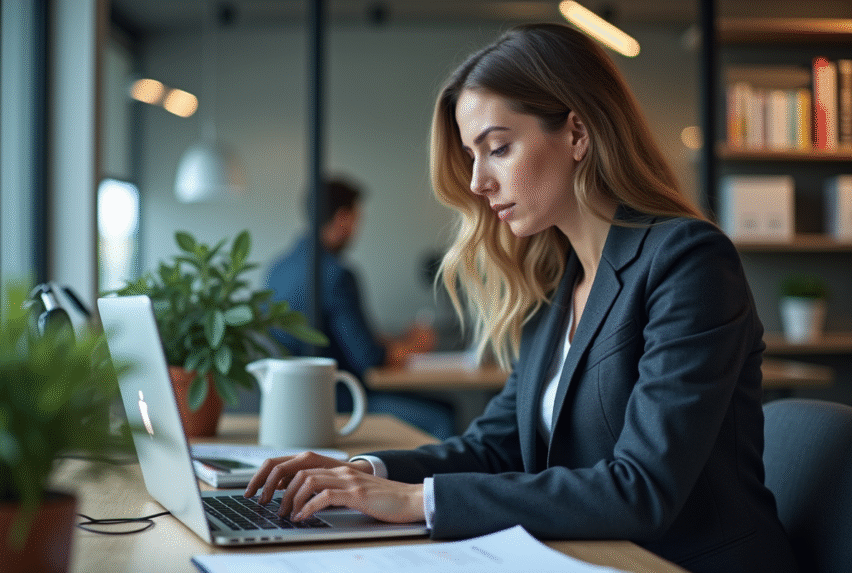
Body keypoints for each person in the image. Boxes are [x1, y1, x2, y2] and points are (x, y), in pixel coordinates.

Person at [248, 23, 798, 573]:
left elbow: (642, 489)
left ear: (577, 134)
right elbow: (497, 446)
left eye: (498, 148)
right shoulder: (557, 284)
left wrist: (418, 502)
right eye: (472, 156)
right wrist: (367, 472)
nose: (478, 181)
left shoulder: (687, 261)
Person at [265, 177, 455, 440]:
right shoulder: (336, 275)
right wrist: (415, 345)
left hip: (292, 403)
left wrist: (398, 340)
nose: (357, 229)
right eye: (357, 219)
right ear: (343, 218)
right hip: (341, 402)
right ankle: (431, 483)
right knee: (444, 414)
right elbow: (368, 357)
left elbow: (343, 340)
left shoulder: (277, 270)